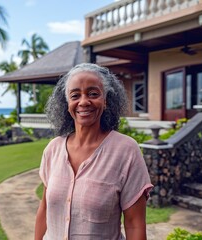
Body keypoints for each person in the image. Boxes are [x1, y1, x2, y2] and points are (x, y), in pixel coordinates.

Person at [35, 63, 153, 240]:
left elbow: (134, 223)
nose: (83, 102)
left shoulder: (126, 151)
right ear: (67, 103)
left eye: (93, 94)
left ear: (105, 100)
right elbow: (44, 210)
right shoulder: (53, 149)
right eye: (75, 95)